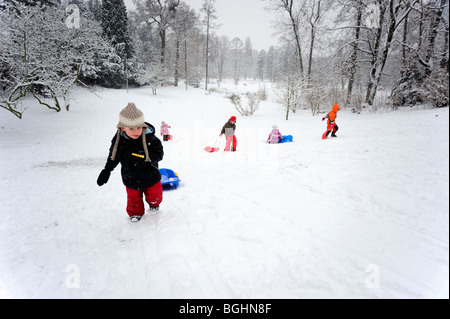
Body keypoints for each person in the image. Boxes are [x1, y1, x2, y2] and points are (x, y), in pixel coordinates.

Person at [97, 103, 164, 223]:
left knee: (155, 194)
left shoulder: (150, 138)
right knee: (133, 198)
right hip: (130, 176)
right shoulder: (119, 141)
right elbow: (113, 156)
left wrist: (145, 158)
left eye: (139, 127)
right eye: (131, 128)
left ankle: (154, 204)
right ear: (123, 128)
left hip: (150, 175)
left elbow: (159, 154)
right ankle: (135, 213)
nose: (136, 131)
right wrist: (107, 170)